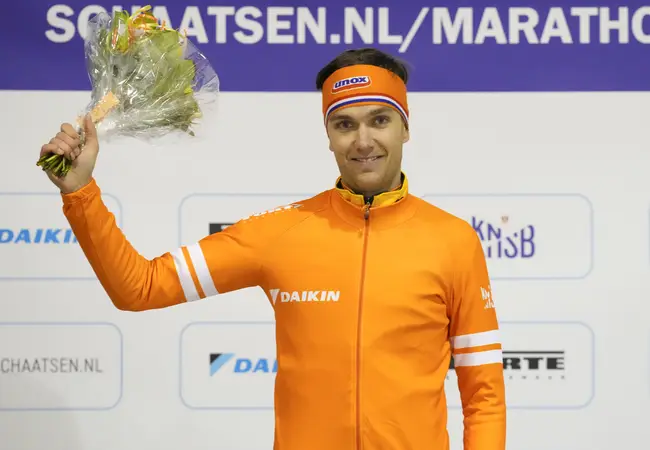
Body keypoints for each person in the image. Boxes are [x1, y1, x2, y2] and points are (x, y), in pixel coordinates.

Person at [40, 48, 506, 450]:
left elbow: (483, 395)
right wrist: (80, 193)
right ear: (329, 136)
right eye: (345, 124)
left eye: (379, 120)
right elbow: (139, 288)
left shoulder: (452, 240)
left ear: (404, 127)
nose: (363, 141)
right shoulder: (281, 232)